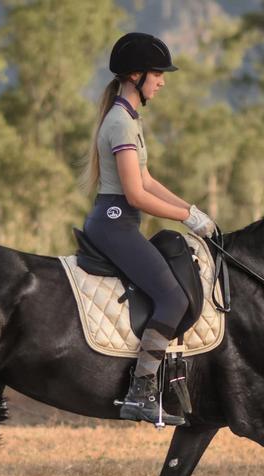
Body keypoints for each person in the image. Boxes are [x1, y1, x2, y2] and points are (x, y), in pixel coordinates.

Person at [79, 32, 216, 427]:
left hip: (119, 222)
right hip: (114, 225)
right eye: (158, 73)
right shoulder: (120, 123)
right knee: (173, 298)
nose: (163, 81)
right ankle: (140, 392)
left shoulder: (129, 119)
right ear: (136, 76)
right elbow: (136, 195)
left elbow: (148, 179)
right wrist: (184, 218)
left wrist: (189, 209)